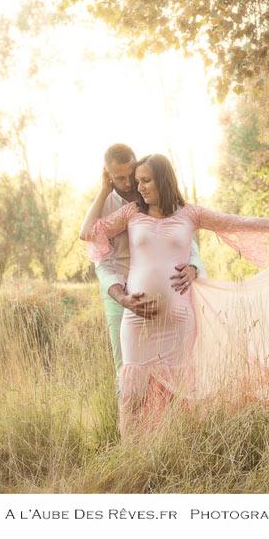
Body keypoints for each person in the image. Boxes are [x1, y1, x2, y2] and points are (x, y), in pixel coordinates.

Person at [83, 153, 269, 438]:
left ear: (163, 180)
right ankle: (134, 452)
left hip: (178, 323)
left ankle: (173, 449)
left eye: (146, 181)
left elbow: (239, 222)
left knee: (178, 395)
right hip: (136, 322)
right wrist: (104, 190)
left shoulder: (190, 213)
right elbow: (89, 233)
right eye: (137, 181)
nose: (139, 188)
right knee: (134, 391)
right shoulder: (132, 213)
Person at [78, 144, 206, 385]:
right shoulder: (104, 207)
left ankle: (171, 422)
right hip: (121, 297)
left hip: (170, 303)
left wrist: (194, 268)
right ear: (107, 175)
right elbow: (101, 260)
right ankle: (131, 423)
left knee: (176, 373)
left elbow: (186, 242)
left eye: (131, 175)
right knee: (127, 374)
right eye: (120, 178)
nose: (128, 184)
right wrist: (122, 298)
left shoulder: (152, 196)